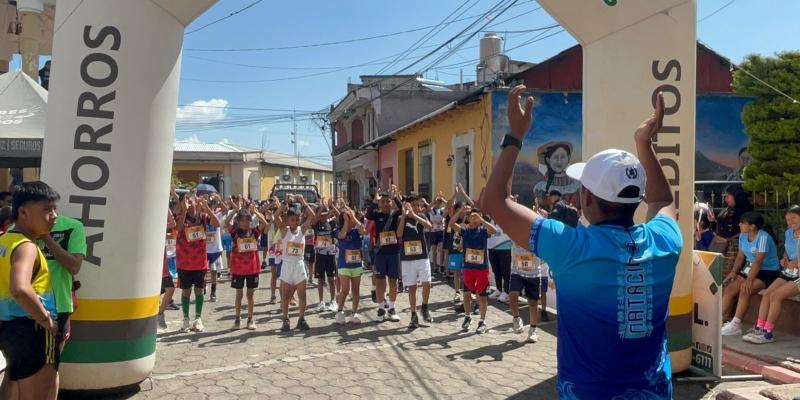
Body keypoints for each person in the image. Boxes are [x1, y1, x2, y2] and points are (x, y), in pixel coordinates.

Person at [481, 86, 681, 399]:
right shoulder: (665, 241)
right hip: (654, 392)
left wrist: (515, 135)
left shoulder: (569, 247)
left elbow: (494, 201)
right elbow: (663, 199)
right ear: (636, 199)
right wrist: (645, 143)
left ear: (586, 198)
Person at [0, 182, 60, 400]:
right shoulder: (26, 246)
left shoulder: (4, 241)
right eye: (46, 209)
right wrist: (46, 319)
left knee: (13, 381)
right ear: (23, 212)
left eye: (54, 209)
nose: (54, 215)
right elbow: (20, 288)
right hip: (34, 330)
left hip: (9, 330)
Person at [742, 205, 800, 344]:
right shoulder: (788, 233)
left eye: (794, 218)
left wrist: (797, 261)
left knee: (776, 296)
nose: (790, 222)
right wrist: (785, 259)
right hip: (789, 272)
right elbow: (787, 250)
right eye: (787, 219)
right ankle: (759, 327)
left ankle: (768, 333)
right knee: (767, 293)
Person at [721, 211, 781, 336]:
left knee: (745, 290)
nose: (739, 224)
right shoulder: (743, 235)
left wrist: (749, 281)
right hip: (749, 268)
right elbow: (740, 256)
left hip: (767, 271)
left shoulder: (763, 237)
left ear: (752, 226)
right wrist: (733, 272)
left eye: (743, 223)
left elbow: (758, 262)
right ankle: (721, 319)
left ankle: (736, 324)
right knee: (730, 288)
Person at [39, 213, 87, 351]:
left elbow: (74, 267)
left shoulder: (72, 226)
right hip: (19, 308)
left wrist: (46, 237)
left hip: (58, 305)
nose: (52, 213)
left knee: (52, 365)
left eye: (53, 207)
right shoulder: (14, 230)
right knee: (16, 366)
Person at [175, 194, 220, 333]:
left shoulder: (203, 217)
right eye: (186, 201)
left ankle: (198, 319)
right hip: (184, 262)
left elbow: (217, 224)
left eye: (189, 201)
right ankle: (186, 319)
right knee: (186, 291)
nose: (188, 203)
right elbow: (179, 228)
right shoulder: (182, 216)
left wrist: (207, 208)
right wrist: (183, 210)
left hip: (200, 262)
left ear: (196, 202)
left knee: (199, 290)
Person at [449, 206, 496, 334]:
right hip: (469, 268)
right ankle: (467, 317)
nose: (474, 219)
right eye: (472, 216)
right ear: (468, 219)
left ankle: (482, 321)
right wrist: (459, 212)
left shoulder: (482, 231)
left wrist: (483, 220)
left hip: (482, 269)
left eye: (477, 216)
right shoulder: (465, 231)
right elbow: (451, 224)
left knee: (482, 296)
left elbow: (494, 230)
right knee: (466, 294)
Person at [225, 203, 270, 331]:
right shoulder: (234, 232)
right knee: (239, 294)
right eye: (242, 221)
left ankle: (250, 319)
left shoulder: (254, 232)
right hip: (238, 268)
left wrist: (255, 212)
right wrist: (235, 210)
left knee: (250, 295)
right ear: (238, 222)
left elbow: (265, 224)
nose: (245, 223)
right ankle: (237, 319)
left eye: (247, 220)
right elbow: (227, 222)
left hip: (252, 268)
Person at [275, 194, 315, 331]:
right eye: (292, 219)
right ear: (287, 220)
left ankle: (301, 319)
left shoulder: (302, 230)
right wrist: (284, 203)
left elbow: (311, 215)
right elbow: (275, 217)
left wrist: (303, 201)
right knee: (285, 296)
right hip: (287, 265)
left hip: (299, 265)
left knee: (302, 294)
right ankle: (285, 319)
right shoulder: (284, 231)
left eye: (297, 219)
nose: (295, 222)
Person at [366, 186, 403, 323]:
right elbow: (368, 214)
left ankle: (392, 308)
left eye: (388, 201)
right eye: (383, 202)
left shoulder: (395, 215)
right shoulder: (377, 215)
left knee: (393, 281)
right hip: (380, 253)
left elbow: (402, 209)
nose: (386, 204)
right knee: (380, 282)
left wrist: (395, 197)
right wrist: (375, 200)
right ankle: (381, 308)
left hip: (394, 253)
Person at [397, 196, 434, 328]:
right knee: (412, 287)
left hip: (422, 255)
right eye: (414, 205)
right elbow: (399, 233)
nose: (417, 208)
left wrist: (415, 215)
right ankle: (413, 314)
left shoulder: (422, 216)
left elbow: (429, 227)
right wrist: (404, 215)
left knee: (427, 283)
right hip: (408, 258)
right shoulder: (402, 218)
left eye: (419, 205)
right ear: (408, 205)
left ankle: (424, 306)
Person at [708, 184, 754, 274]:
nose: (725, 200)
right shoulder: (726, 211)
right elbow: (720, 231)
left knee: (729, 276)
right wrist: (713, 221)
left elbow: (732, 232)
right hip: (722, 249)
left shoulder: (746, 214)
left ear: (736, 196)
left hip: (734, 251)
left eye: (728, 196)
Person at [335, 205, 366, 325]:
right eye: (348, 218)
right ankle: (340, 311)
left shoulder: (356, 231)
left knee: (356, 289)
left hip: (356, 264)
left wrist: (354, 218)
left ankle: (354, 313)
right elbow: (341, 236)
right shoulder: (338, 229)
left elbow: (363, 230)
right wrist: (346, 222)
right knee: (345, 289)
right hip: (344, 265)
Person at [509, 235, 543, 343]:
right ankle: (516, 319)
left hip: (534, 273)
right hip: (517, 271)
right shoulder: (515, 230)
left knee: (533, 303)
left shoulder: (538, 233)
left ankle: (533, 330)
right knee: (513, 296)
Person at [533, 142, 580, 207]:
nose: (559, 162)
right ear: (548, 160)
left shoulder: (576, 186)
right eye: (555, 157)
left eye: (563, 157)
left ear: (568, 158)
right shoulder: (540, 188)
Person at [312, 202, 338, 313]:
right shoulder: (316, 224)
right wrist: (320, 209)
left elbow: (339, 216)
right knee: (320, 280)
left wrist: (332, 207)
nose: (323, 216)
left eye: (325, 214)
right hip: (320, 255)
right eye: (321, 214)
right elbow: (315, 218)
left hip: (330, 255)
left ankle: (333, 301)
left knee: (332, 280)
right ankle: (321, 302)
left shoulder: (331, 223)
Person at [205, 194, 227, 303]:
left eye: (212, 206)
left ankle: (213, 292)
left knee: (214, 271)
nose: (210, 208)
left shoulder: (217, 215)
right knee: (204, 271)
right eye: (208, 206)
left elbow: (226, 210)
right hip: (204, 249)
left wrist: (219, 199)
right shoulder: (203, 216)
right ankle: (203, 286)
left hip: (215, 248)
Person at [158, 209, 177, 331]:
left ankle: (159, 313)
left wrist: (167, 209)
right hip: (153, 266)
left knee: (170, 288)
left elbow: (173, 224)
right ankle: (157, 313)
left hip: (163, 266)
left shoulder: (160, 226)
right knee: (155, 294)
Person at [487, 218, 512, 303]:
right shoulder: (490, 217)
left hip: (504, 247)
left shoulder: (505, 216)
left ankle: (506, 292)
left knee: (505, 271)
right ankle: (498, 290)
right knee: (496, 271)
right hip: (492, 247)